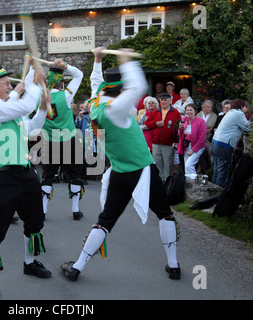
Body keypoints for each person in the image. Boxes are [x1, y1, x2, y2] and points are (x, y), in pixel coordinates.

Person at [60, 47, 181, 283]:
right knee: (165, 214)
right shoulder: (117, 109)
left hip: (119, 172)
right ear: (121, 90)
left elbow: (97, 84)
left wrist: (97, 60)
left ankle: (77, 267)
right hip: (143, 170)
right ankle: (173, 265)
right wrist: (125, 60)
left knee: (105, 221)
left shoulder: (96, 105)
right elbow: (137, 87)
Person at [0, 59, 51, 296]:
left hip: (25, 171)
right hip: (3, 176)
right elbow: (23, 107)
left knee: (35, 221)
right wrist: (34, 82)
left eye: (9, 83)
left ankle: (29, 263)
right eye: (6, 83)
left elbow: (33, 126)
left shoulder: (7, 109)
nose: (10, 86)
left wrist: (43, 106)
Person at [26, 58, 85, 221]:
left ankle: (43, 211)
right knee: (76, 174)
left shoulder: (39, 96)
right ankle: (75, 209)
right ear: (61, 84)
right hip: (69, 140)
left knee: (48, 176)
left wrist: (32, 67)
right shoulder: (66, 95)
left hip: (49, 141)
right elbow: (79, 75)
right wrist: (65, 66)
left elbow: (28, 83)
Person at [211, 99, 251, 188]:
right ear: (242, 106)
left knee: (216, 169)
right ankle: (218, 194)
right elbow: (249, 127)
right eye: (246, 107)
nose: (247, 110)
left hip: (215, 143)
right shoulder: (239, 114)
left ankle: (212, 191)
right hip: (223, 145)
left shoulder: (231, 112)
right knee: (222, 171)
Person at [145, 93, 181, 182]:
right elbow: (147, 123)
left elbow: (178, 128)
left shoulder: (175, 112)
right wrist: (155, 124)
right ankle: (159, 184)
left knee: (168, 166)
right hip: (156, 143)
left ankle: (167, 185)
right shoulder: (155, 111)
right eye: (162, 100)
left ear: (170, 101)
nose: (163, 102)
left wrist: (176, 141)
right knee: (157, 165)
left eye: (165, 100)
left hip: (168, 144)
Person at [177, 103, 206, 177]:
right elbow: (180, 135)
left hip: (198, 146)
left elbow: (202, 139)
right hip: (186, 145)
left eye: (191, 110)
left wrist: (193, 150)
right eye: (187, 110)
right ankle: (189, 184)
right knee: (186, 166)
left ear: (195, 111)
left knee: (189, 165)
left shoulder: (201, 121)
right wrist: (180, 129)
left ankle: (194, 182)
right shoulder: (184, 119)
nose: (188, 112)